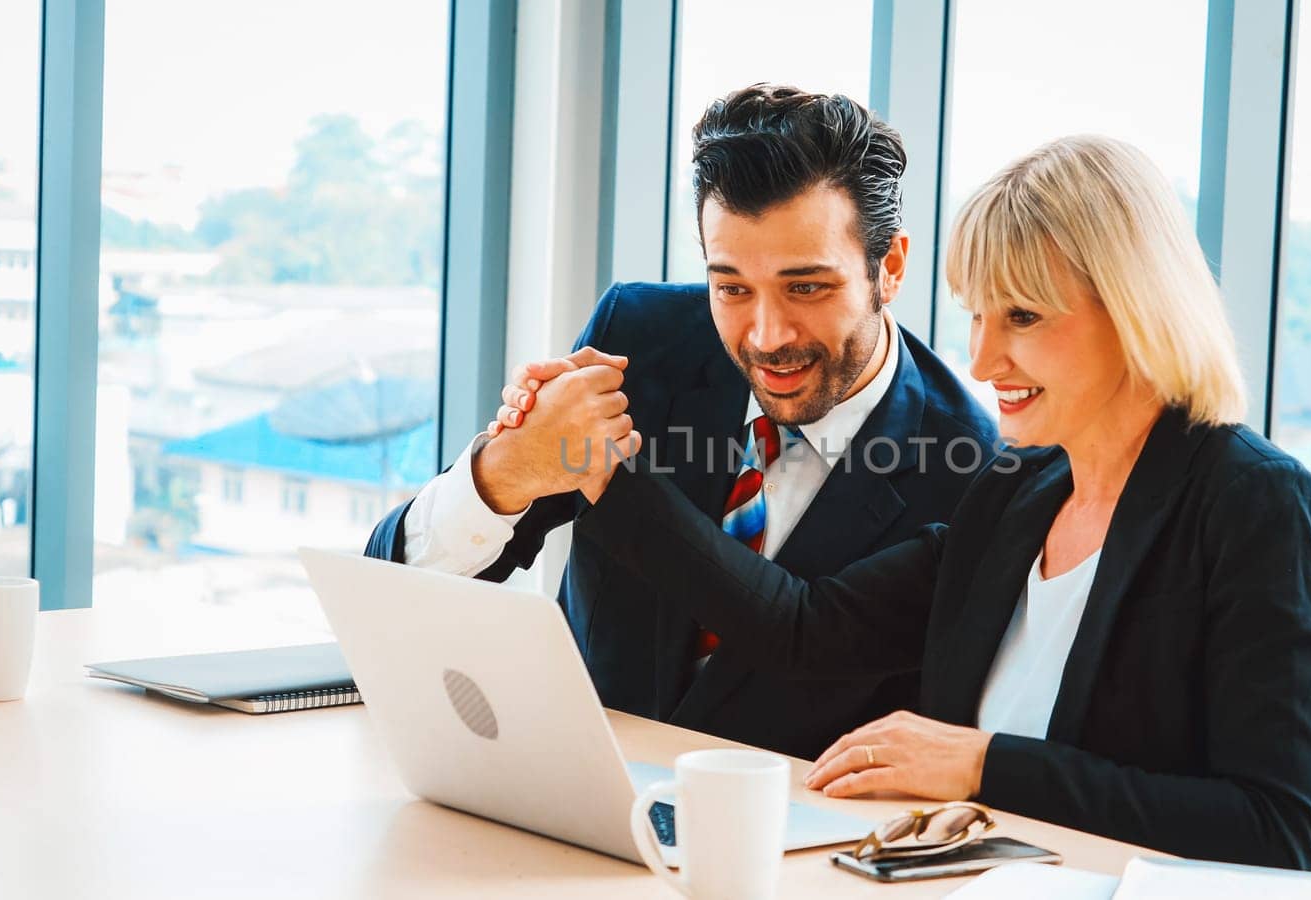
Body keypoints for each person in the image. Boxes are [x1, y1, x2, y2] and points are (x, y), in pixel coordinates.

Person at [530, 135, 1311, 869]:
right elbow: (805, 629)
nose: (985, 357)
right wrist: (608, 471)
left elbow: (1279, 829)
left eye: (1024, 317)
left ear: (1138, 313)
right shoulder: (1016, 493)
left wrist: (983, 764)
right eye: (978, 315)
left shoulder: (1260, 507)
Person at [363, 84, 996, 761]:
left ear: (889, 267)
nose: (766, 334)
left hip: (794, 847)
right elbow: (391, 593)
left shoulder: (968, 469)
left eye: (806, 287)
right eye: (731, 287)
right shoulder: (640, 342)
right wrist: (506, 471)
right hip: (573, 801)